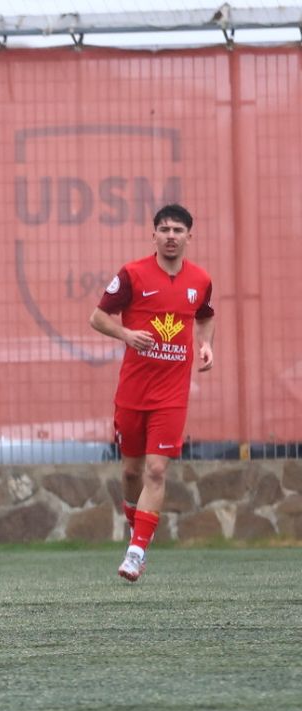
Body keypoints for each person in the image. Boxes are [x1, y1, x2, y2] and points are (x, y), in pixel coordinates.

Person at [88, 203, 215, 582]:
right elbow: (97, 317)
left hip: (172, 395)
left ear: (190, 235)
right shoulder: (133, 274)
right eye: (165, 229)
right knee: (132, 471)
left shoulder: (201, 280)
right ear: (153, 234)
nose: (171, 236)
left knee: (156, 470)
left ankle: (136, 550)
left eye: (178, 230)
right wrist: (126, 335)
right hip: (133, 390)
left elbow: (205, 314)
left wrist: (206, 345)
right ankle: (136, 528)